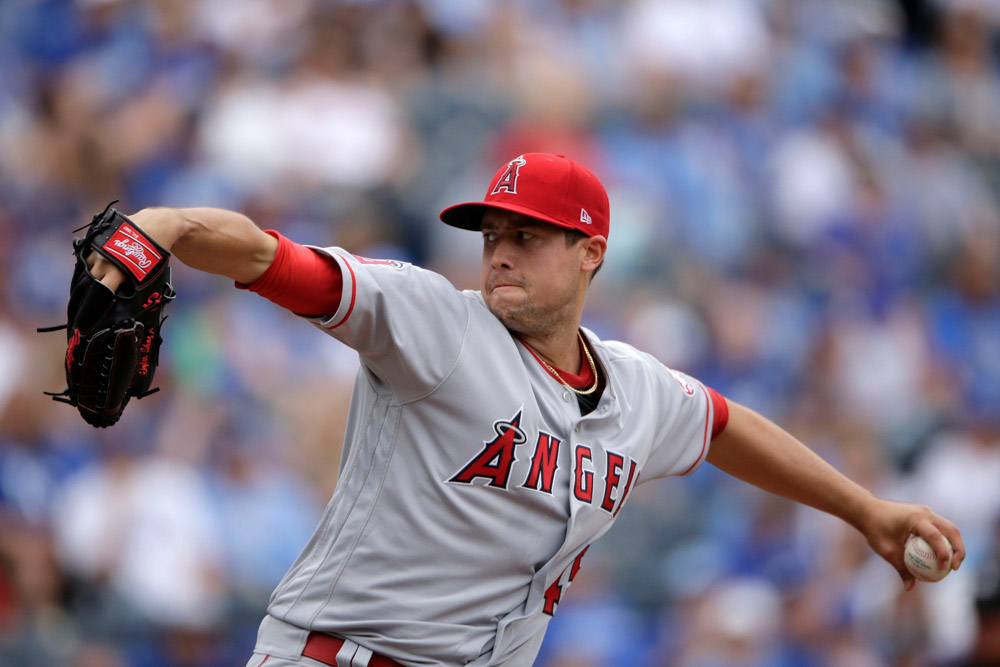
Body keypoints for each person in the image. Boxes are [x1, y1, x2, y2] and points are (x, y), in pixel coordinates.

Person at [85, 153, 965, 667]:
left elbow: (728, 428)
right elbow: (278, 260)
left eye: (527, 238)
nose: (500, 254)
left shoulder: (635, 388)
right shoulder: (433, 321)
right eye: (494, 236)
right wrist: (165, 225)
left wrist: (865, 508)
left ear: (591, 253)